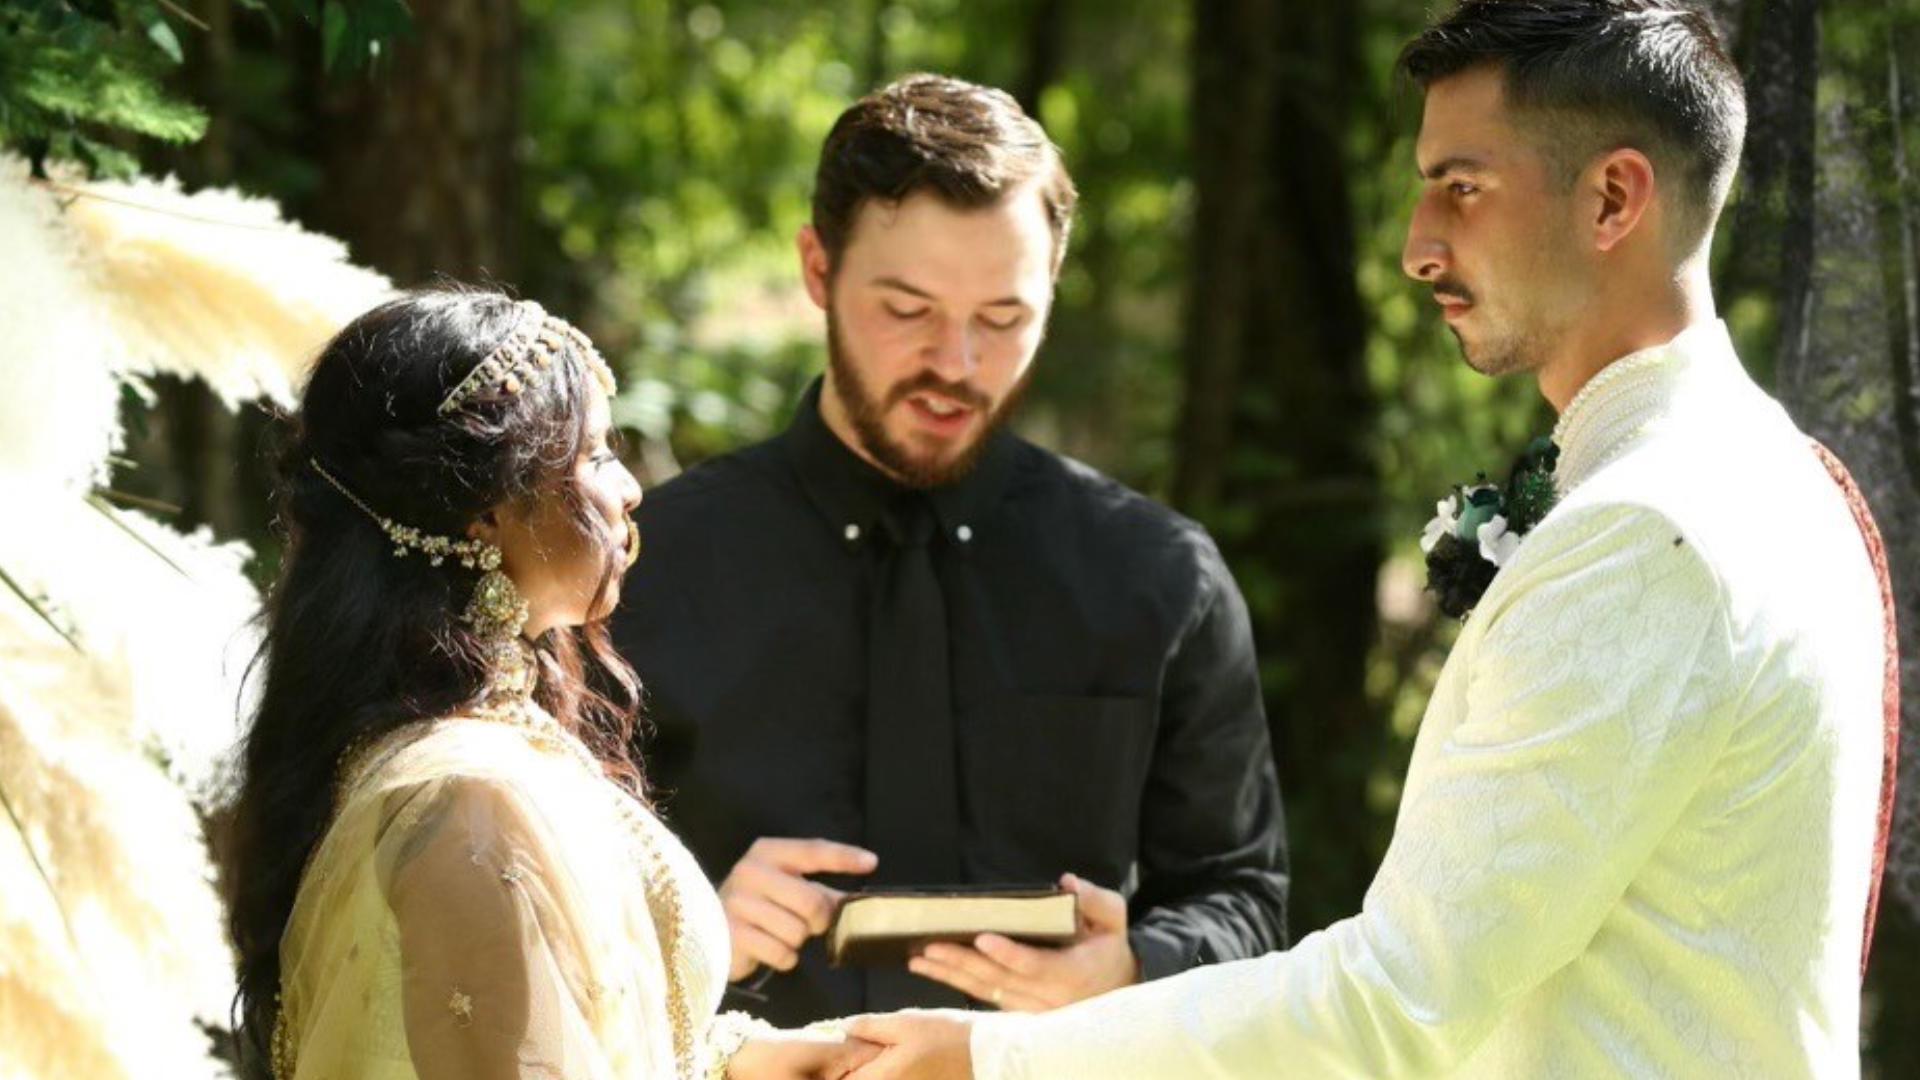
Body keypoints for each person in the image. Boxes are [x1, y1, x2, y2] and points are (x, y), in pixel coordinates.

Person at [845, 2, 1897, 1076]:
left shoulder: (1646, 529)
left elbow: (1400, 1002)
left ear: (1614, 198)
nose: (1416, 246)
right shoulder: (1767, 472)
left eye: (1462, 187)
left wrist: (992, 1058)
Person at [612, 74, 1289, 1026]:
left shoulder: (1160, 576)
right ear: (818, 269)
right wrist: (691, 922)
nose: (956, 365)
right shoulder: (644, 567)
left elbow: (1246, 897)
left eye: (1004, 320)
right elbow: (540, 905)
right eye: (907, 310)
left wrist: (1137, 962)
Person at [223, 290, 877, 1078]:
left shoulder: (473, 747)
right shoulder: (466, 798)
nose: (629, 489)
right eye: (596, 454)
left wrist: (760, 1060)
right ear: (484, 513)